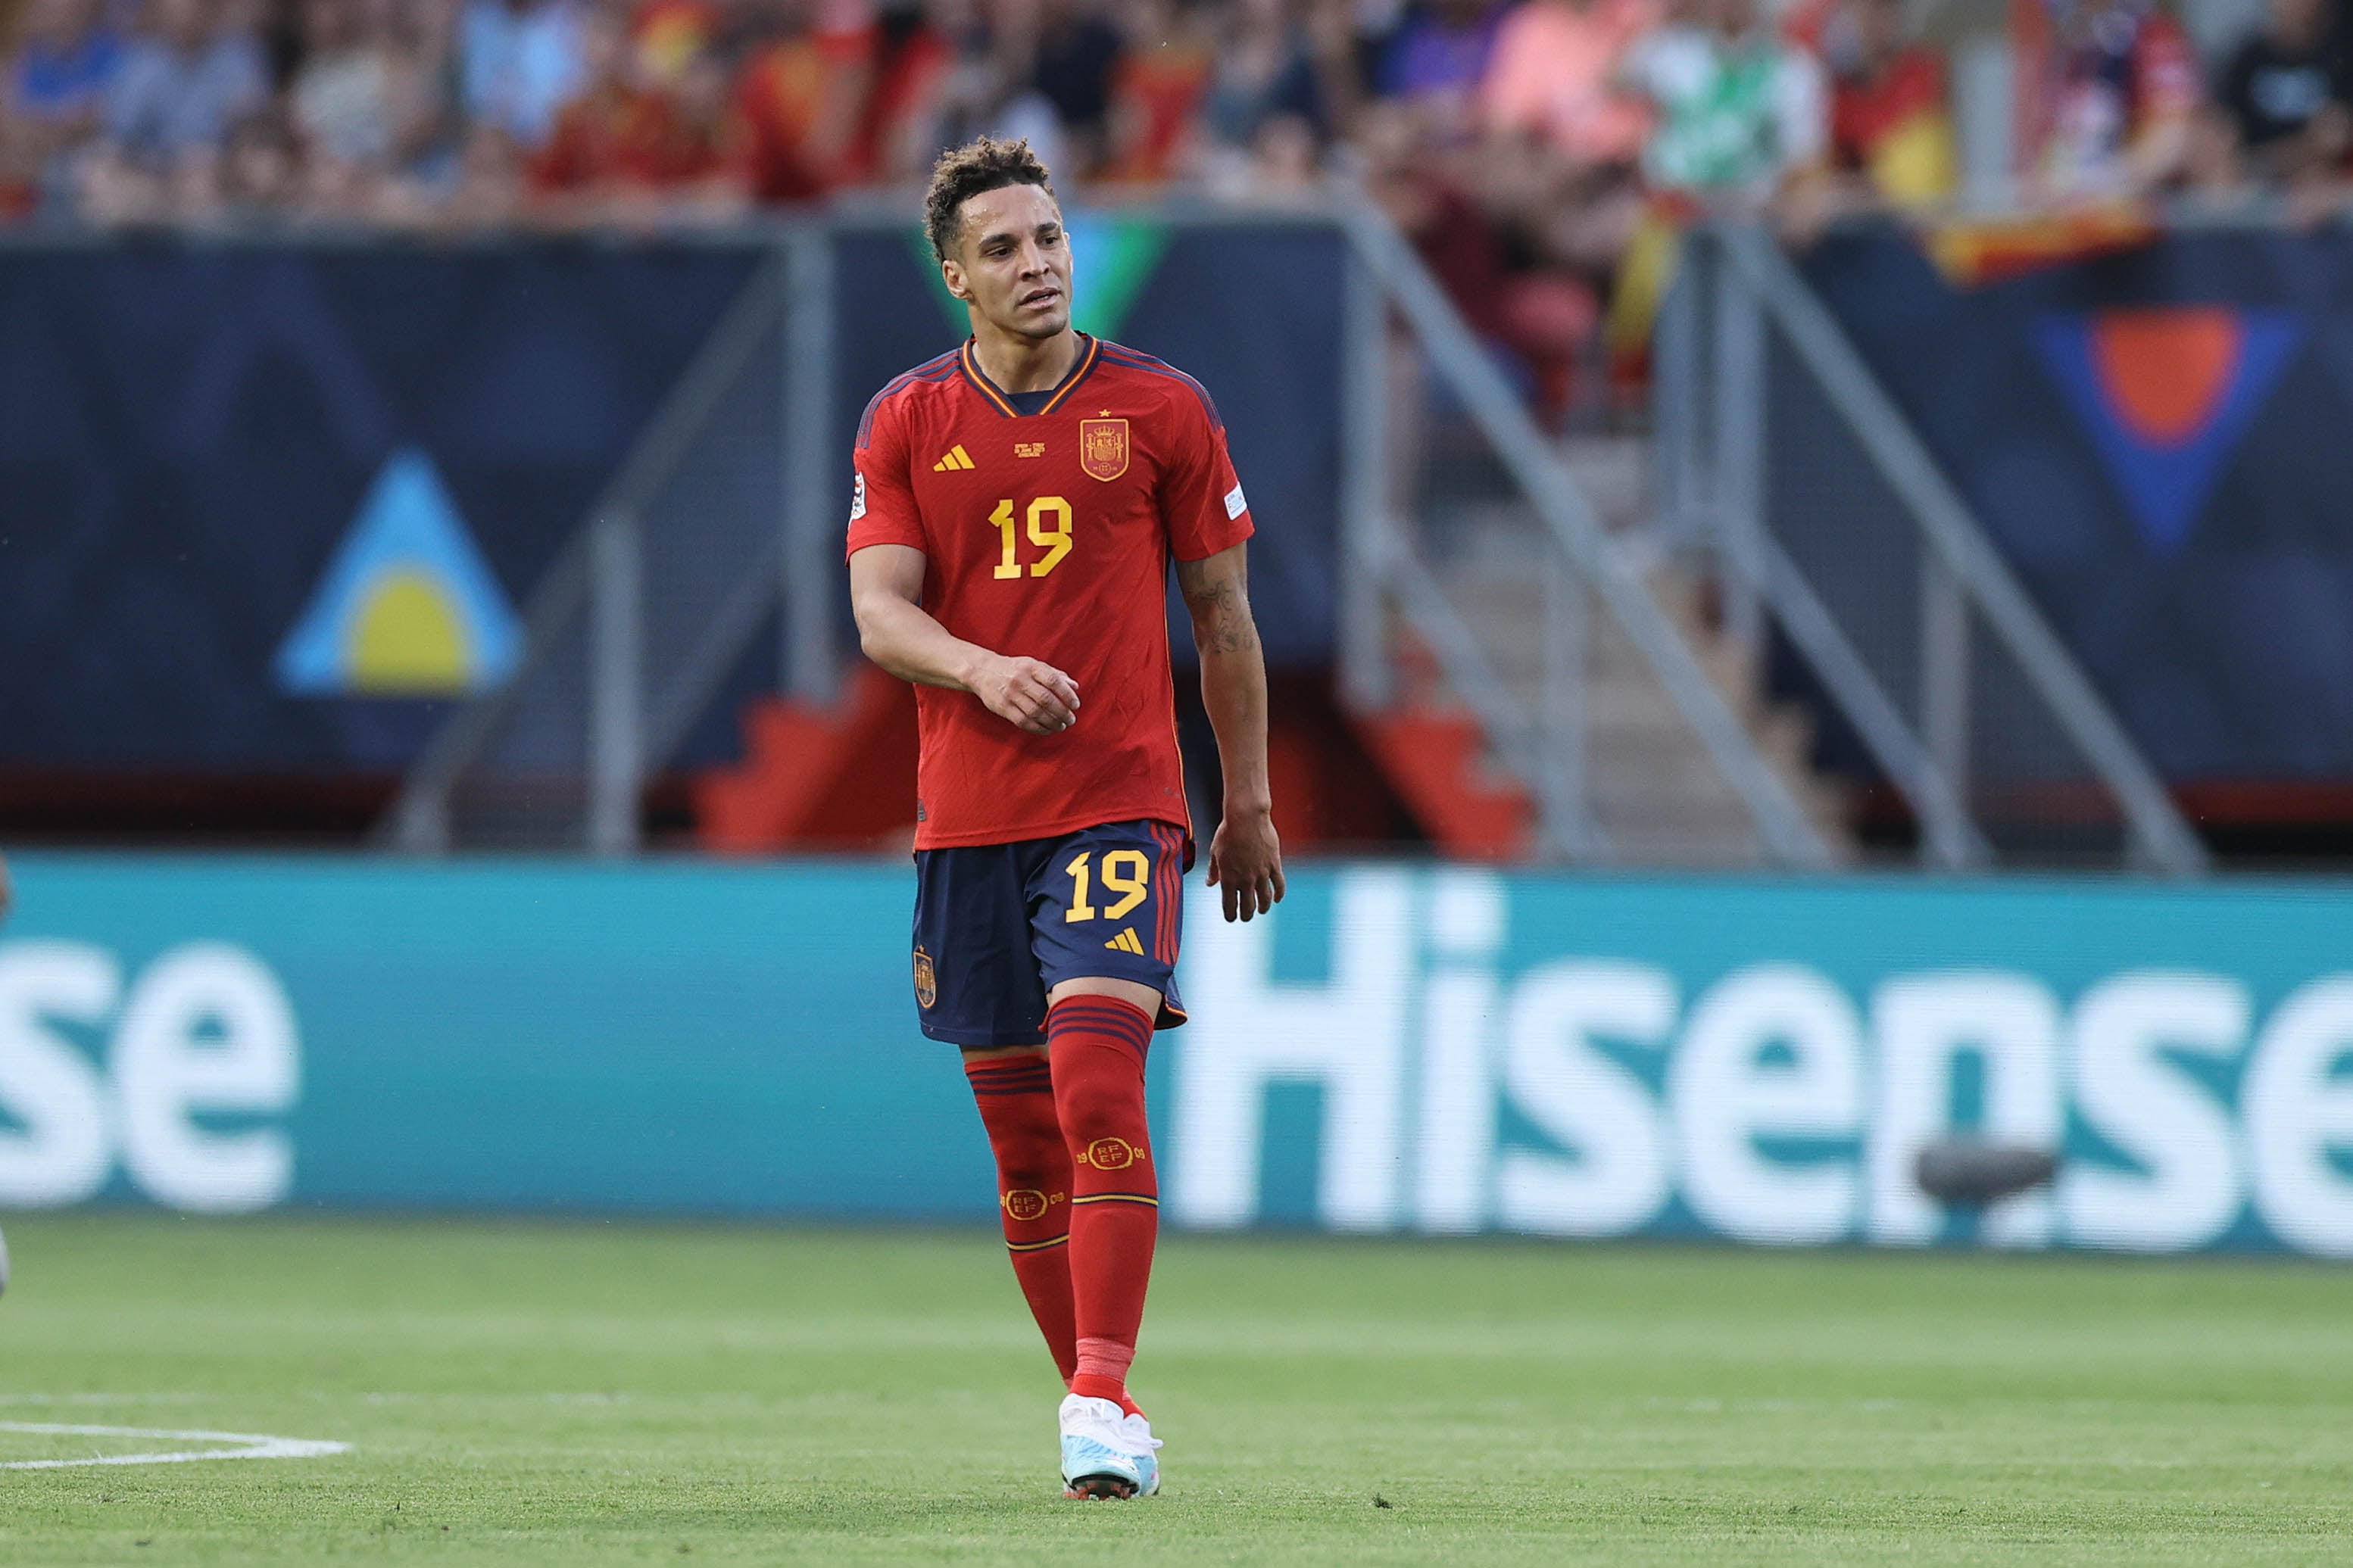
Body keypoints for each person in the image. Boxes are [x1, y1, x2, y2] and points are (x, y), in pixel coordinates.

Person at [844, 135, 1283, 1501]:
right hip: (966, 823)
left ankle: (1096, 1394)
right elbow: (878, 611)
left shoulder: (1160, 409)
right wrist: (979, 667)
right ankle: (1098, 1398)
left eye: (1047, 239)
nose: (1036, 265)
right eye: (1002, 249)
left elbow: (1222, 618)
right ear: (953, 277)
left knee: (1098, 1083)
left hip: (1118, 804)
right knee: (1023, 1147)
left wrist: (1247, 800)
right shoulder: (905, 419)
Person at [2213, 0, 2351, 183]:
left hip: (2325, 181)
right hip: (2255, 179)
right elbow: (2225, 132)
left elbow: (2337, 135)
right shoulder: (2248, 59)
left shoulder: (2340, 57)